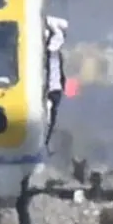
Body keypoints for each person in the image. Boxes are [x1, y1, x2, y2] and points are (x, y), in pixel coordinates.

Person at [45, 16, 68, 145]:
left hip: (55, 89)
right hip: (52, 88)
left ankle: (47, 141)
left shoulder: (55, 54)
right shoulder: (50, 53)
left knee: (52, 115)